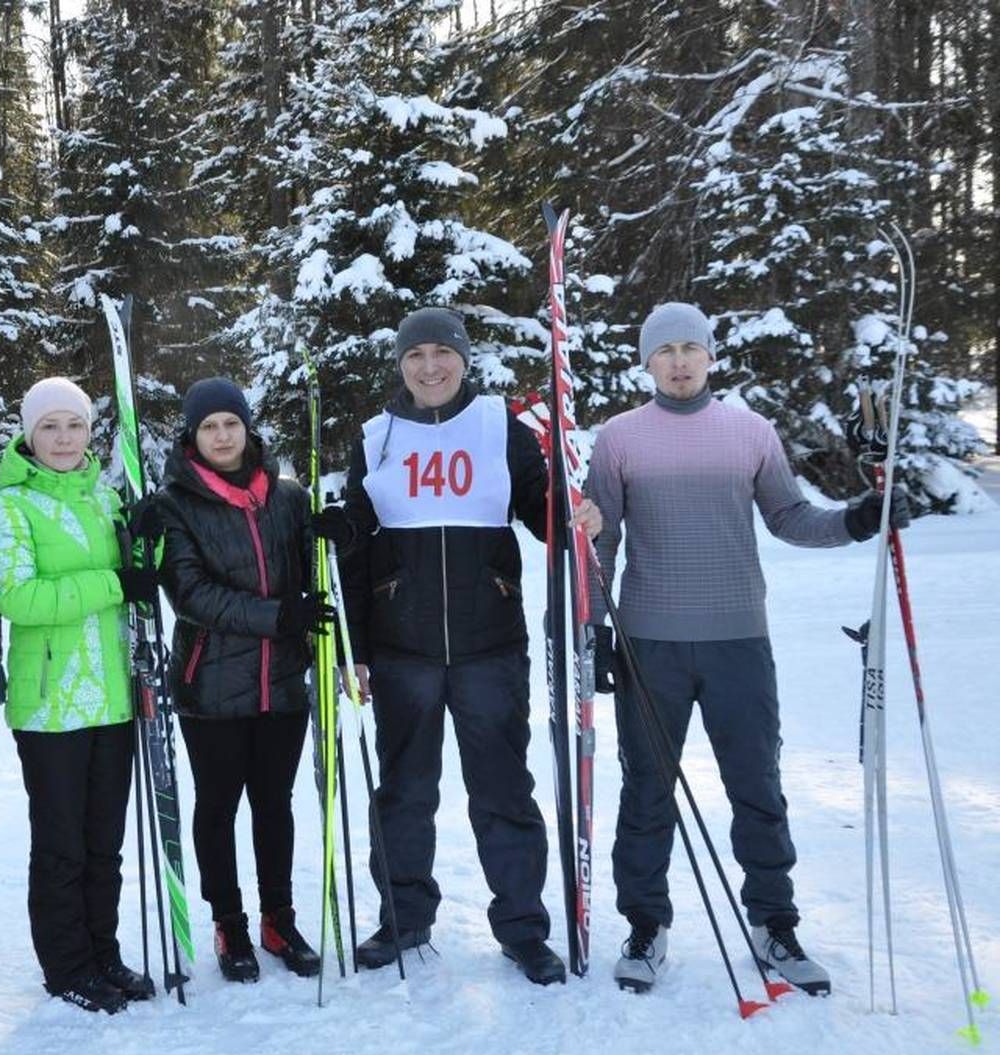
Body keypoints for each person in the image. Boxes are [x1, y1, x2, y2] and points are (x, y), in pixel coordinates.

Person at [587, 303, 908, 997]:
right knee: (646, 789)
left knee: (756, 786)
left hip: (738, 640)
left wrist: (856, 519)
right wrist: (593, 627)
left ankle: (775, 923)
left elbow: (790, 517)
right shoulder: (618, 439)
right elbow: (599, 538)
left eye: (690, 349)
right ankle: (645, 925)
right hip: (650, 643)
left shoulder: (749, 431)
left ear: (709, 357)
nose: (678, 361)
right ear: (647, 361)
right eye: (665, 350)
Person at [316, 306, 601, 986]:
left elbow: (541, 512)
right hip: (401, 647)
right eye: (416, 356)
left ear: (464, 359)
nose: (430, 366)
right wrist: (352, 642)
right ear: (401, 365)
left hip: (489, 645)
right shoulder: (377, 436)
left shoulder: (499, 427)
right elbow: (355, 547)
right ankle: (403, 918)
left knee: (503, 790)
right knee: (405, 793)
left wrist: (571, 509)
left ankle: (524, 928)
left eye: (442, 353)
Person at [0, 376, 157, 1014]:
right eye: (49, 426)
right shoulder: (8, 507)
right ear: (29, 434)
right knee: (61, 845)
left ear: (90, 432)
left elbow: (142, 578)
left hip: (112, 698)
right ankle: (67, 966)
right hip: (52, 703)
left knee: (104, 843)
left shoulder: (106, 498)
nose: (62, 438)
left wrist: (147, 537)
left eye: (74, 425)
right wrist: (114, 581)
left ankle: (102, 952)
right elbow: (19, 600)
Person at [147, 378, 326, 983]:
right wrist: (278, 616)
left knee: (276, 804)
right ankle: (230, 923)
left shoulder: (288, 496)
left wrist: (339, 537)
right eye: (209, 426)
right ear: (192, 436)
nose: (222, 435)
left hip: (283, 683)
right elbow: (192, 595)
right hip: (212, 685)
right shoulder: (175, 504)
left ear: (248, 427)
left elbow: (314, 567)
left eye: (231, 423)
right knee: (218, 806)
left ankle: (279, 917)